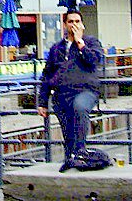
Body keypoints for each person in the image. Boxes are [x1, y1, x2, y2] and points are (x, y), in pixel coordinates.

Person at [37, 10, 104, 172]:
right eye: (70, 21)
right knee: (67, 130)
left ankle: (80, 153)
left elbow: (94, 60)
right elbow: (47, 74)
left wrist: (80, 43)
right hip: (62, 94)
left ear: (82, 24)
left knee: (79, 108)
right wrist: (42, 102)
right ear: (65, 24)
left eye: (77, 21)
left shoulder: (91, 42)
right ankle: (70, 158)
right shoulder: (57, 48)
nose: (74, 25)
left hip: (85, 91)